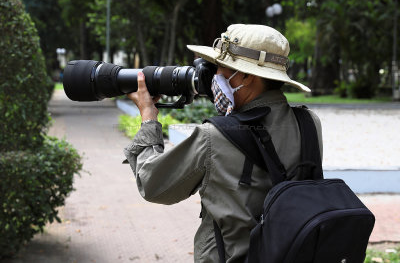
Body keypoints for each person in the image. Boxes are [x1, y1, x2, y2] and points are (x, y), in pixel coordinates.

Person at [123, 24, 323, 263]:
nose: (214, 76)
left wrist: (148, 117)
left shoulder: (214, 137)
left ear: (247, 77)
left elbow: (153, 184)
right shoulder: (310, 124)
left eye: (221, 67)